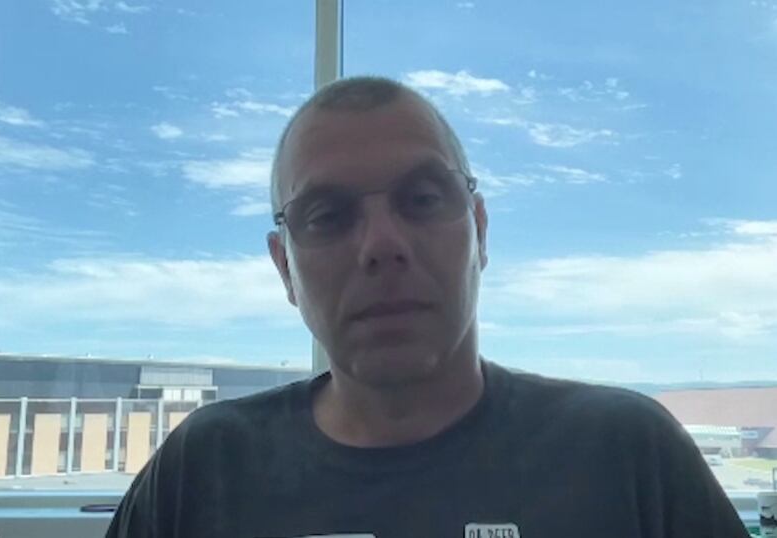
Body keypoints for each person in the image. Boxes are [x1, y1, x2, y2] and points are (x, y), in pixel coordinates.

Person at [105, 76, 749, 538]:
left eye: (422, 199)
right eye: (328, 215)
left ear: (480, 231)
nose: (382, 246)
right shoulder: (204, 472)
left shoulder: (629, 454)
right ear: (285, 268)